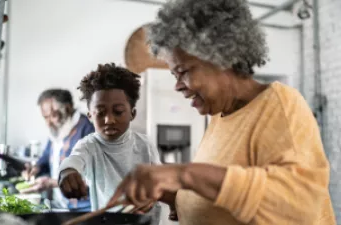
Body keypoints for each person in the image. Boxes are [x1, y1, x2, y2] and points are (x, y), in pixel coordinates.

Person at [107, 0, 337, 225]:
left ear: (223, 57)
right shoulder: (219, 117)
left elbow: (300, 206)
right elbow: (226, 197)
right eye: (174, 75)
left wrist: (182, 174)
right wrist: (172, 195)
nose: (177, 85)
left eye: (183, 71)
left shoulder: (280, 106)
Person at [58, 63, 162, 225]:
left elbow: (160, 182)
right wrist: (67, 173)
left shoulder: (145, 144)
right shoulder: (88, 146)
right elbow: (73, 160)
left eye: (118, 112)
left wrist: (153, 196)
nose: (109, 120)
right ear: (90, 116)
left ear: (132, 113)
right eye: (100, 113)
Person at [21, 89, 95, 211]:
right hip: (63, 204)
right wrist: (35, 168)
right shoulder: (58, 129)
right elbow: (46, 156)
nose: (48, 123)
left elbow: (92, 177)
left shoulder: (87, 130)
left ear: (68, 108)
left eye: (53, 116)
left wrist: (51, 183)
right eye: (45, 117)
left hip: (83, 208)